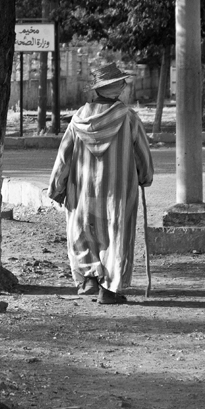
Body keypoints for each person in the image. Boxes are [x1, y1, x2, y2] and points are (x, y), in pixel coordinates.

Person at [47, 62, 154, 305]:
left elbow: (63, 156)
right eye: (122, 83)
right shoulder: (128, 118)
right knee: (116, 234)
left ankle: (89, 279)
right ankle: (109, 289)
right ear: (116, 88)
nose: (125, 86)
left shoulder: (77, 119)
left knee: (84, 231)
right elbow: (142, 154)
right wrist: (145, 176)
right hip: (118, 190)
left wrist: (56, 188)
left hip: (82, 190)